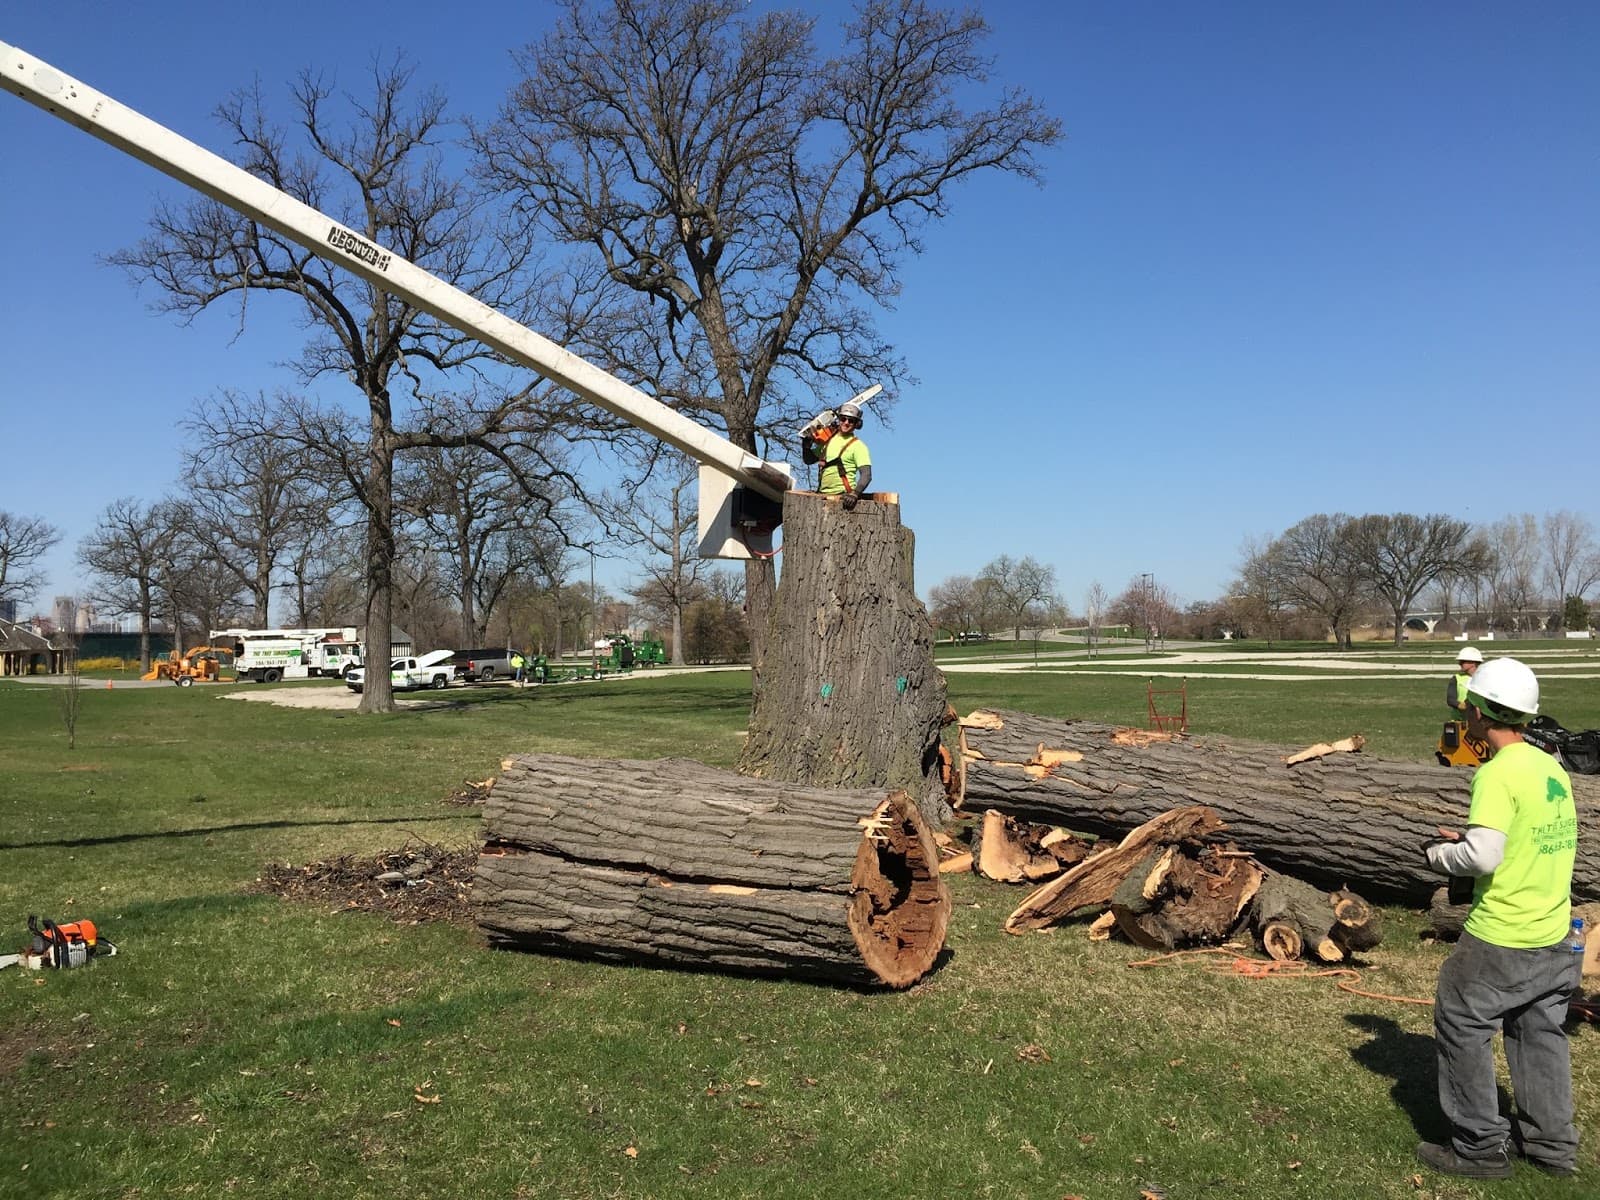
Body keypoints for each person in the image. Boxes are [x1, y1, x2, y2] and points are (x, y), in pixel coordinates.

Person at [1417, 656, 1580, 1180]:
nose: (1465, 718)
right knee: (1540, 1033)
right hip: (1553, 932)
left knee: (1461, 1023)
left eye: (1470, 710)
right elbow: (1526, 839)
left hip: (1503, 935)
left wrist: (1441, 856)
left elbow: (1485, 858)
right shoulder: (1549, 767)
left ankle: (1479, 1148)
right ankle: (1553, 1150)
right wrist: (1473, 841)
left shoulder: (1496, 773)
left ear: (1483, 715)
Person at [817, 400, 872, 509]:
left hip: (844, 497)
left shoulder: (858, 446)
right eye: (843, 419)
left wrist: (854, 494)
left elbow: (866, 475)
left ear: (857, 424)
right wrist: (805, 445)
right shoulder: (828, 441)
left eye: (851, 421)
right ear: (839, 420)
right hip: (822, 495)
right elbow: (808, 459)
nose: (846, 423)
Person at [1446, 645, 1484, 713]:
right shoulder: (1456, 678)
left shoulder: (1484, 678)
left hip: (1481, 720)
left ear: (1472, 662)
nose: (1459, 664)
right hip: (1460, 720)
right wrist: (1462, 706)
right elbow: (1450, 699)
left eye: (1462, 662)